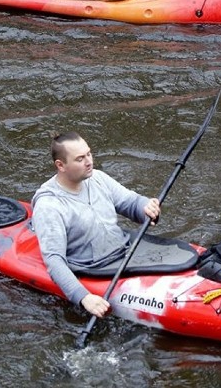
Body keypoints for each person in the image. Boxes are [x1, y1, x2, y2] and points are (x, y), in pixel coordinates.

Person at [31, 132, 161, 318]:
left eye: (89, 154)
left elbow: (131, 203)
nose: (89, 161)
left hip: (123, 253)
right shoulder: (49, 206)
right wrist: (84, 297)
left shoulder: (98, 178)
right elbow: (54, 261)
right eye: (80, 159)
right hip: (92, 268)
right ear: (61, 165)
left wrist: (147, 207)